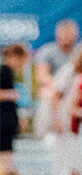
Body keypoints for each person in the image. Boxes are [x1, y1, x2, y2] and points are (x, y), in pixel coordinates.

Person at [52, 43, 82, 175]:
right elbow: (56, 95)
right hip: (68, 119)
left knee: (81, 160)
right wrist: (56, 118)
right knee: (71, 160)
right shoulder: (70, 71)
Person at [33, 19, 79, 135]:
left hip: (73, 94)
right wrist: (58, 87)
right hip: (53, 92)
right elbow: (41, 76)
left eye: (69, 33)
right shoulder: (48, 51)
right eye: (63, 32)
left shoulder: (79, 52)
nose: (66, 36)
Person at [1, 44, 30, 175]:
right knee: (5, 154)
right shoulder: (4, 72)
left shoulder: (10, 74)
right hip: (3, 122)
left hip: (8, 121)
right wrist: (10, 94)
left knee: (7, 153)